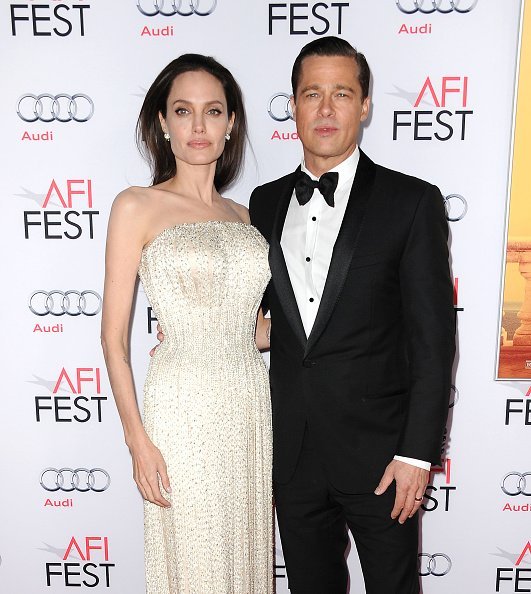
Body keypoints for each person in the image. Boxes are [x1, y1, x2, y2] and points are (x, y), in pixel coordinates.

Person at [248, 37, 456, 593]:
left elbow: (433, 342)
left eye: (342, 93)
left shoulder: (411, 202)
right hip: (291, 457)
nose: (325, 108)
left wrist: (417, 454)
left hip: (383, 458)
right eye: (311, 93)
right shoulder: (264, 203)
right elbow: (279, 325)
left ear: (364, 105)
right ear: (292, 104)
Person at [101, 54, 273, 594]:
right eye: (183, 111)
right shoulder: (136, 206)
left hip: (248, 404)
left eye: (213, 111)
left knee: (244, 560)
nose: (198, 127)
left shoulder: (247, 217)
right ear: (162, 123)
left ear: (231, 124)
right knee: (197, 561)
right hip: (181, 409)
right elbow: (113, 340)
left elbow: (257, 329)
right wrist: (138, 442)